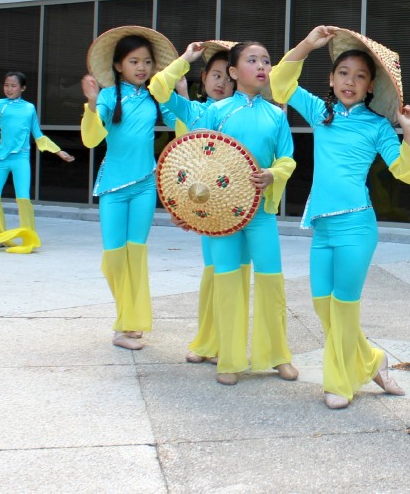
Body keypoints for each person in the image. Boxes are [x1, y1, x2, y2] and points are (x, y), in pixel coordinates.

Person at [270, 25, 410, 409]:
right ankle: (373, 360)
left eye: (360, 76)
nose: (350, 82)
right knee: (324, 307)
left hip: (357, 227)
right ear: (331, 78)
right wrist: (308, 44)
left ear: (370, 86)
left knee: (343, 309)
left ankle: (339, 384)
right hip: (322, 227)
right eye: (343, 73)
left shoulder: (376, 125)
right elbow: (280, 82)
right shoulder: (319, 113)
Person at [150, 40, 296, 386]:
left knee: (271, 282)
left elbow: (288, 157)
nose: (262, 66)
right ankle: (229, 359)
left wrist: (273, 174)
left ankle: (277, 355)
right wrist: (185, 58)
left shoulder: (277, 115)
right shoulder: (214, 113)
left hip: (260, 212)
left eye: (266, 60)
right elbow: (198, 162)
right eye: (252, 60)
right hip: (221, 217)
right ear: (234, 72)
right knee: (227, 282)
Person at [151, 41, 249, 364]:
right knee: (213, 273)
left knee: (234, 275)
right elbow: (159, 86)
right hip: (207, 211)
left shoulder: (240, 117)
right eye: (216, 75)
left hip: (238, 209)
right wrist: (186, 59)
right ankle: (208, 340)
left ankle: (229, 344)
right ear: (204, 77)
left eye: (229, 78)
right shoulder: (194, 111)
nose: (222, 83)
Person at [81, 26, 178, 351]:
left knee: (135, 256)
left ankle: (127, 325)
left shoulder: (154, 96)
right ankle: (127, 317)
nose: (141, 68)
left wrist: (181, 93)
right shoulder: (109, 96)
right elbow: (91, 139)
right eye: (134, 61)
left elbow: (183, 125)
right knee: (114, 258)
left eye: (147, 62)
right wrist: (93, 104)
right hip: (113, 187)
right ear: (119, 65)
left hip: (145, 186)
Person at [0, 71, 74, 248]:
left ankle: (29, 237)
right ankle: (0, 236)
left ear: (23, 88)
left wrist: (58, 151)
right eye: (6, 85)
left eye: (13, 85)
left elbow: (38, 135)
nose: (9, 89)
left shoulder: (29, 108)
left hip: (21, 159)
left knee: (23, 199)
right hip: (0, 158)